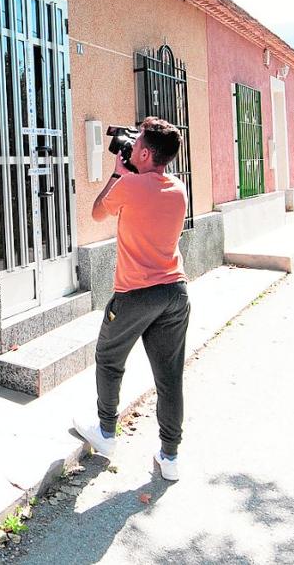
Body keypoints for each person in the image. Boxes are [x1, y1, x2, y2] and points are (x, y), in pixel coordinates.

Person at [73, 117, 189, 482]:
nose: (132, 145)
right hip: (174, 293)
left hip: (135, 294)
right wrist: (131, 173)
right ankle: (170, 457)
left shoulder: (130, 187)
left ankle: (106, 434)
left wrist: (117, 174)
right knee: (169, 378)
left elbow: (96, 212)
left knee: (109, 360)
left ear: (144, 151)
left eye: (137, 141)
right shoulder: (178, 188)